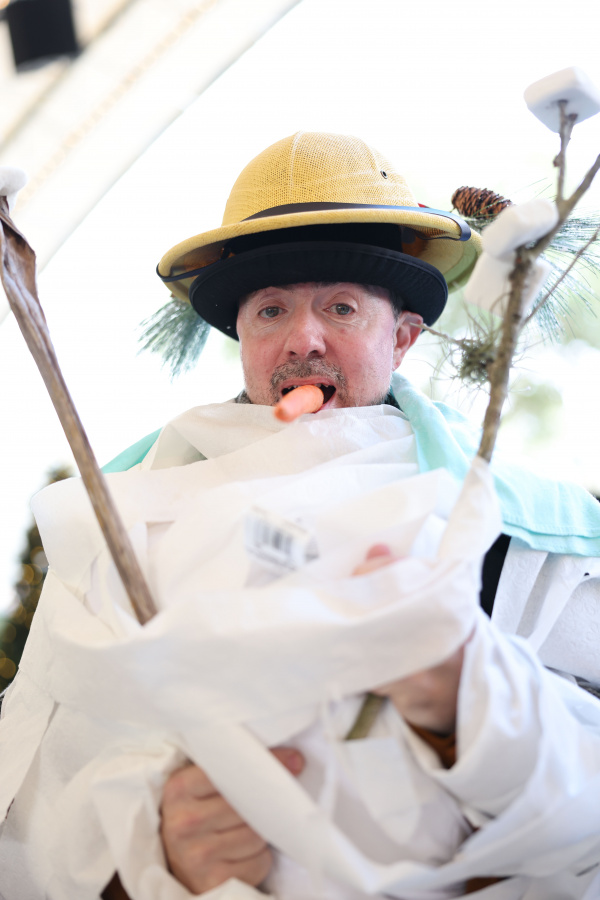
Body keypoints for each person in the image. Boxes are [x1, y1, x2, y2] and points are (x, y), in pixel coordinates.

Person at [1, 132, 600, 900]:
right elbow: (37, 794)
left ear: (403, 338)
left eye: (340, 308)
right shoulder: (120, 522)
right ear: (241, 338)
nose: (301, 340)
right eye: (270, 311)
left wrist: (469, 708)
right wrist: (153, 858)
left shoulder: (518, 531)